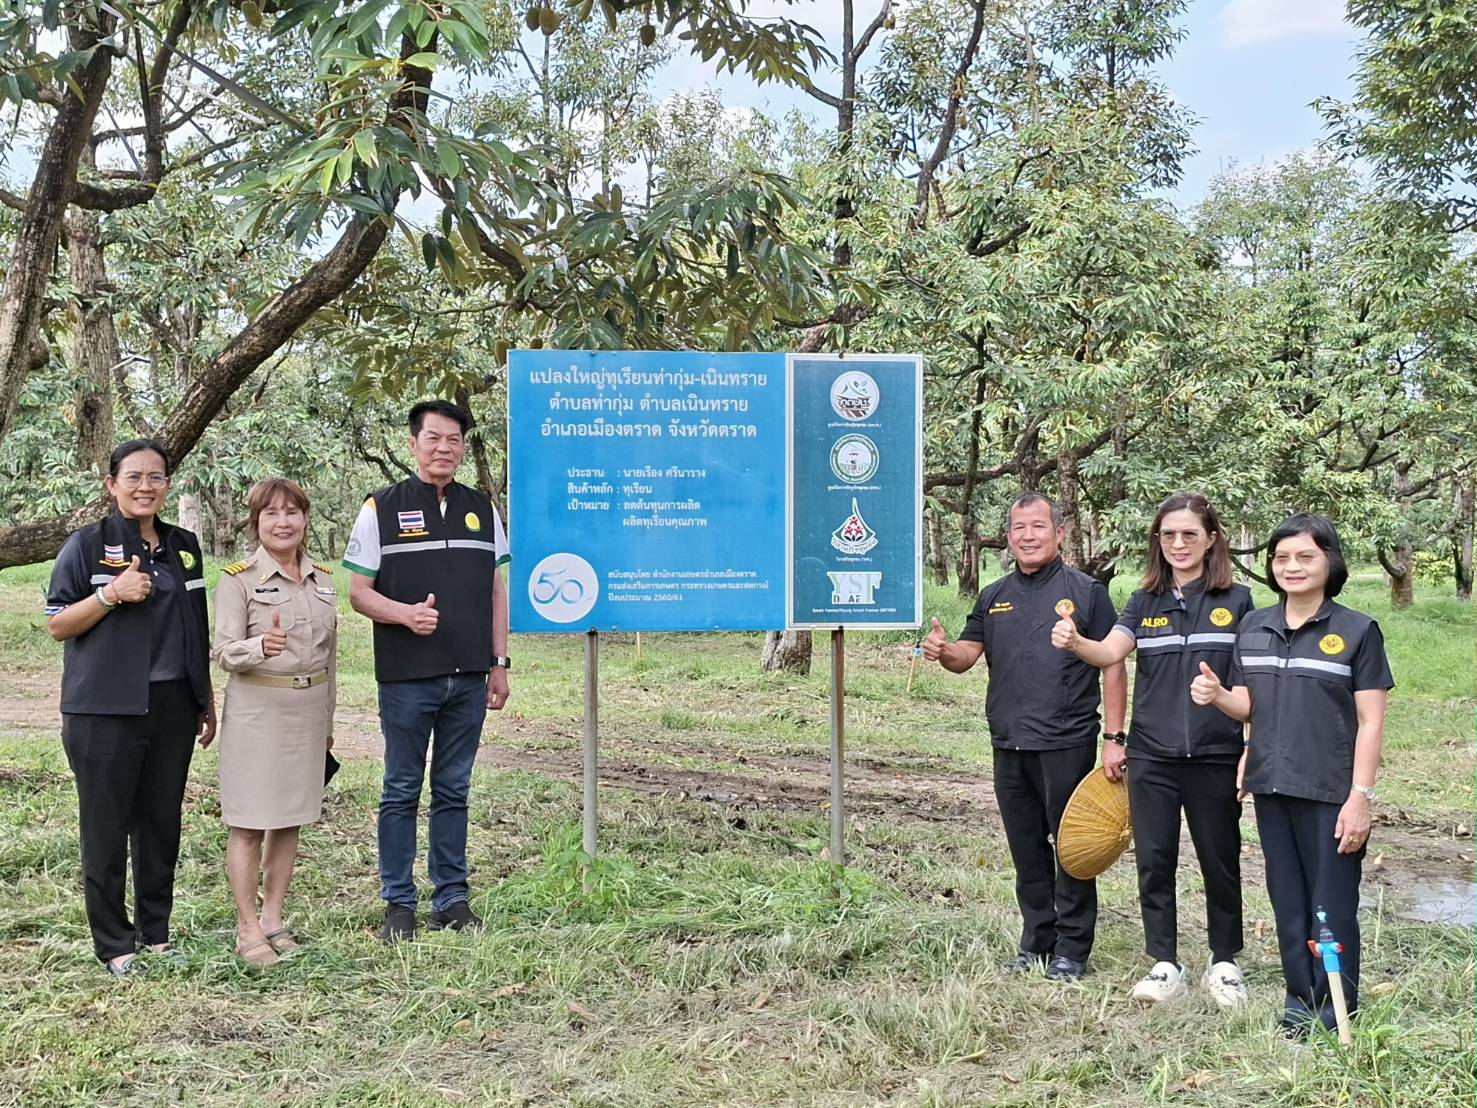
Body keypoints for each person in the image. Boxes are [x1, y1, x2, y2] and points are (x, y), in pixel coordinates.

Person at [1191, 513, 1392, 1040]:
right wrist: (1218, 698)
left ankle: (1338, 1006)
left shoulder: (1357, 631)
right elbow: (1251, 705)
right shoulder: (1254, 626)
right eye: (1282, 557)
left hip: (1330, 791)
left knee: (1330, 904)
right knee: (1287, 901)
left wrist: (1361, 798)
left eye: (1305, 556)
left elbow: (1371, 721)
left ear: (1330, 561)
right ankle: (1299, 1003)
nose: (1292, 566)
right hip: (1270, 787)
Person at [1051, 492, 1254, 1006]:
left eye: (1190, 534)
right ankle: (1165, 963)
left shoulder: (1239, 601)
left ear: (1211, 539)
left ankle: (1225, 963)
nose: (1179, 544)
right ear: (1157, 542)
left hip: (1215, 755)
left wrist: (1231, 714)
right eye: (1168, 535)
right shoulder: (1144, 601)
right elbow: (1110, 653)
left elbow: (1250, 683)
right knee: (1155, 860)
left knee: (1220, 858)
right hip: (1153, 755)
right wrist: (1076, 641)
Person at [923, 491, 1127, 981]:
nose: (1028, 536)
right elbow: (965, 657)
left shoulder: (1087, 592)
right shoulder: (993, 596)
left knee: (1071, 846)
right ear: (1008, 537)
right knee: (1026, 847)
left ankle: (1072, 950)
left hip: (1068, 740)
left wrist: (1115, 737)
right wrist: (941, 649)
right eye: (1019, 528)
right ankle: (1037, 940)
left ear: (1059, 533)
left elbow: (1113, 664)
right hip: (1008, 742)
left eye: (1038, 526)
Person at [44, 439, 215, 977]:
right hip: (104, 710)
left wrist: (203, 696)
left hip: (172, 705)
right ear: (112, 484)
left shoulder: (184, 546)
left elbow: (197, 626)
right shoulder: (86, 545)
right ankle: (116, 945)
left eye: (156, 477)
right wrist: (110, 595)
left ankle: (156, 933)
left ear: (168, 484)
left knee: (161, 823)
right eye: (134, 477)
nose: (146, 487)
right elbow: (57, 624)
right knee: (105, 826)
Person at [343, 399, 511, 942]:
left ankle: (452, 899)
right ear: (413, 444)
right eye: (433, 438)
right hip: (406, 677)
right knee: (400, 789)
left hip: (468, 675)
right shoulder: (380, 507)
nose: (444, 448)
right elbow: (359, 593)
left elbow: (495, 590)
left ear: (463, 447)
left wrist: (500, 663)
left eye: (454, 440)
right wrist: (404, 615)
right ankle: (398, 903)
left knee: (454, 788)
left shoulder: (481, 508)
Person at [212, 479, 337, 968]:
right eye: (271, 514)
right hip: (258, 713)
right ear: (256, 523)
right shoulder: (238, 580)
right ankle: (247, 929)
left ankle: (273, 919)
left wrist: (328, 721)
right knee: (248, 824)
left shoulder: (323, 580)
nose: (282, 522)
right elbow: (222, 652)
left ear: (305, 519)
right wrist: (258, 647)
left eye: (292, 513)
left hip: (306, 715)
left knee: (289, 821)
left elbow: (331, 660)